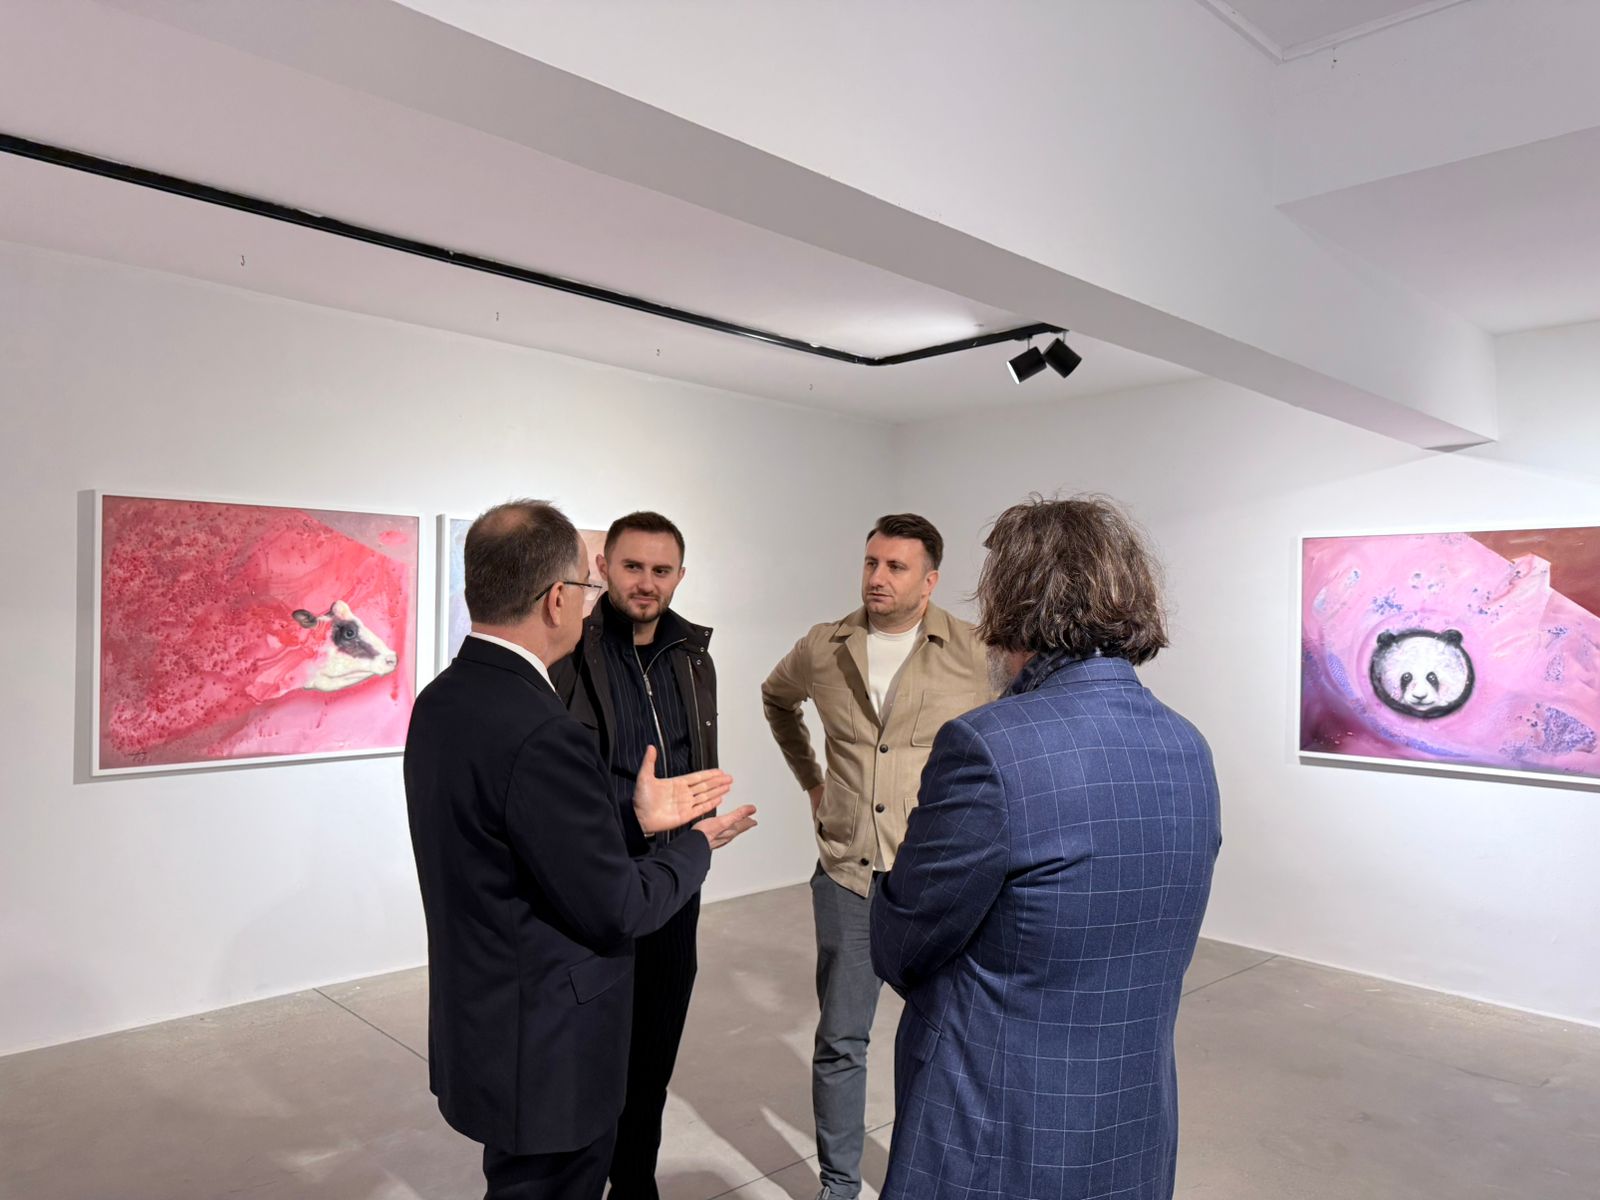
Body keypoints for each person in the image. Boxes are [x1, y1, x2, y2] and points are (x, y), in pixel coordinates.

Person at [870, 495, 1222, 1200]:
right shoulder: (1188, 745)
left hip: (993, 1132)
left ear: (1014, 598)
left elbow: (902, 942)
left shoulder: (989, 745)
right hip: (1133, 1128)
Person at [404, 500, 756, 1200]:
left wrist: (632, 816)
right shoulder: (543, 729)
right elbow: (616, 905)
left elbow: (523, 839)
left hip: (489, 1017)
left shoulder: (442, 699)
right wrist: (695, 844)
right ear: (558, 597)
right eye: (596, 582)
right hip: (549, 1042)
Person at [760, 513, 991, 1200]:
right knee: (841, 1040)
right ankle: (840, 1185)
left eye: (895, 566)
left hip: (937, 880)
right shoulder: (823, 647)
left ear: (930, 580)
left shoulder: (976, 651)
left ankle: (926, 1175)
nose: (877, 577)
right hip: (846, 874)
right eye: (871, 562)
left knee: (945, 1041)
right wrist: (812, 781)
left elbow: (1016, 733)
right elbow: (777, 699)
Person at [550, 511, 718, 1200]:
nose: (646, 583)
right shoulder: (570, 653)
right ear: (603, 568)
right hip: (602, 884)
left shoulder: (693, 655)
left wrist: (696, 838)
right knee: (593, 1063)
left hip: (674, 886)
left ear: (679, 576)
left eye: (661, 570)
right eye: (633, 567)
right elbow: (557, 786)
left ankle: (636, 1185)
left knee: (652, 1060)